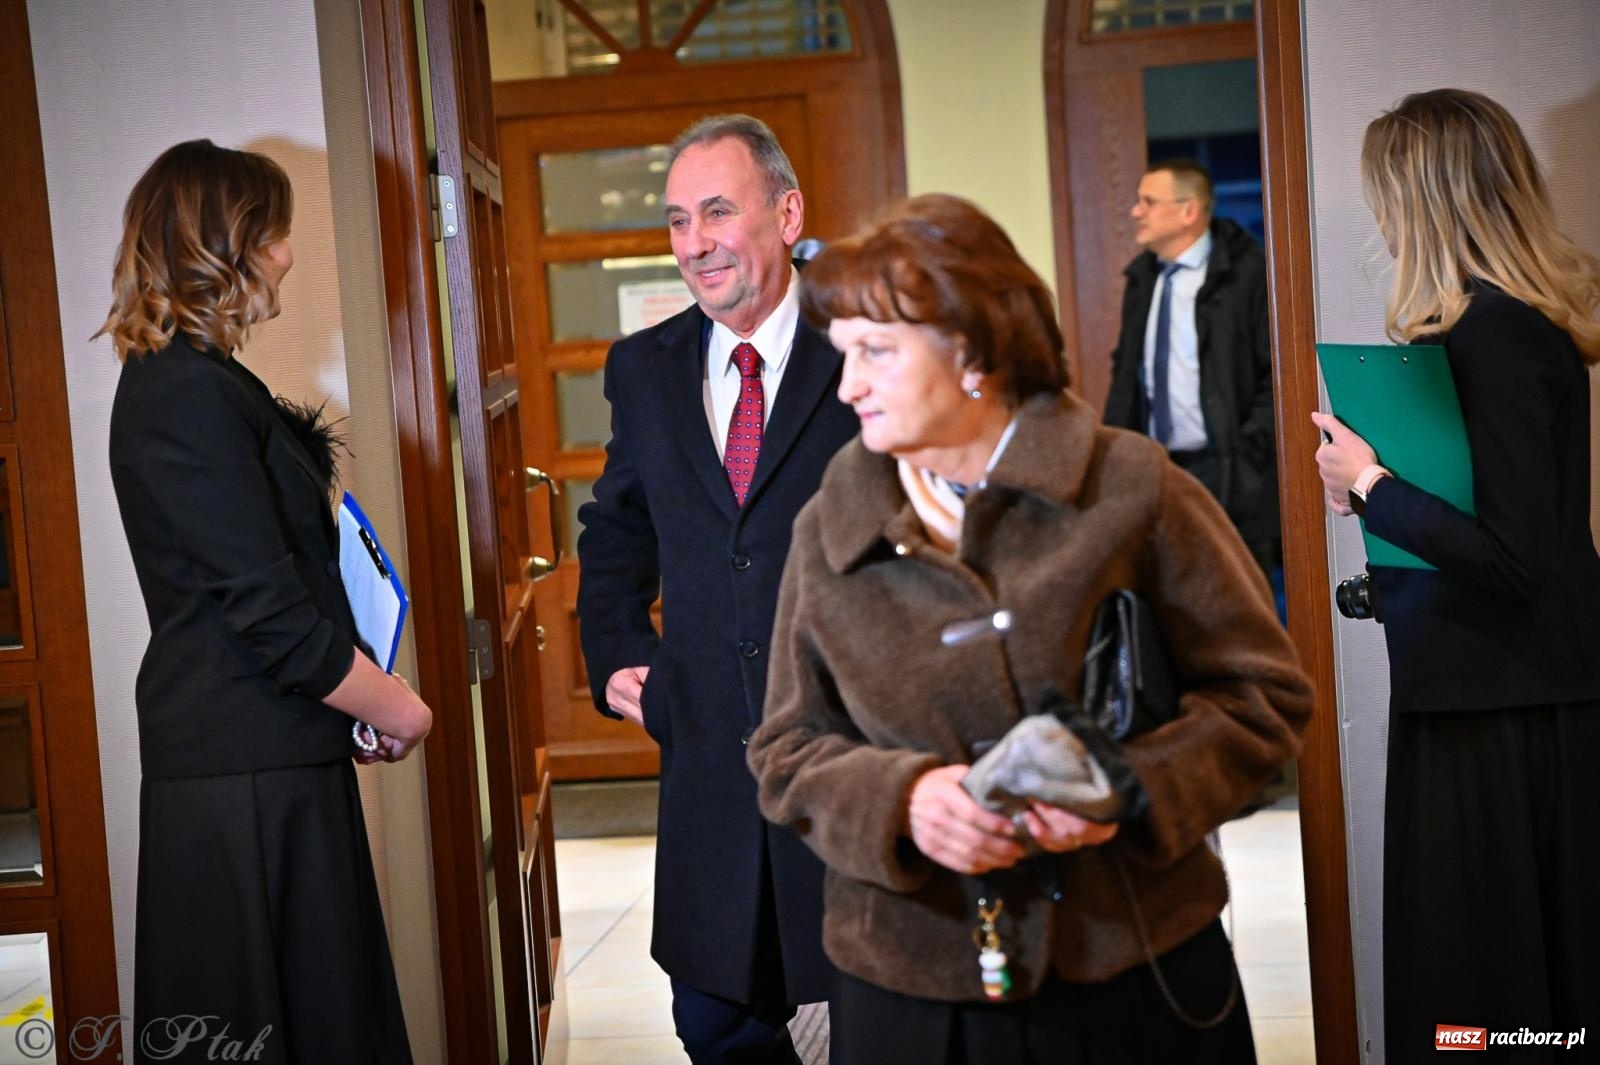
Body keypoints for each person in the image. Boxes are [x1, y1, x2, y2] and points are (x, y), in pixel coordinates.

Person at [747, 193, 1312, 1064]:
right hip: (910, 991)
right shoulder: (829, 525)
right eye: (842, 353)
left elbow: (1265, 701)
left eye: (876, 352)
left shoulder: (1133, 487)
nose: (847, 383)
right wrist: (903, 799)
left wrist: (1125, 786)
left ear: (970, 350)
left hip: (1130, 970)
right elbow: (786, 748)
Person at [100, 139, 431, 1064]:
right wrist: (395, 703)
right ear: (228, 245)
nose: (287, 253)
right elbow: (270, 615)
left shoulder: (207, 381)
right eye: (275, 232)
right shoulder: (181, 395)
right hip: (238, 782)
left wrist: (351, 699)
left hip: (272, 761)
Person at [1312, 88, 1600, 1062]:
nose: (1383, 221)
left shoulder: (1500, 339)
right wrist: (1368, 497)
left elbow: (1514, 561)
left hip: (1505, 720)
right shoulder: (1486, 335)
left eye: (1388, 197)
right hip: (1479, 701)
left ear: (1429, 200)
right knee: (1478, 1010)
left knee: (1491, 1018)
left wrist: (1372, 482)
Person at [575, 114, 858, 1063]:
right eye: (676, 221)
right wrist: (617, 651)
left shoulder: (862, 349)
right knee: (715, 1021)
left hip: (842, 757)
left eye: (716, 212)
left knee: (858, 1021)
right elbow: (616, 527)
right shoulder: (643, 368)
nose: (694, 242)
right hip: (706, 761)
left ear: (786, 213)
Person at [1103, 159, 1280, 594]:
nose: (1136, 212)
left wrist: (1249, 449)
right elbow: (1127, 373)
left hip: (1231, 473)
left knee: (1240, 602)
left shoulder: (1248, 274)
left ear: (1189, 211)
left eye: (1148, 201)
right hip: (1158, 470)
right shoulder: (1143, 278)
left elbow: (1273, 375)